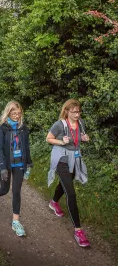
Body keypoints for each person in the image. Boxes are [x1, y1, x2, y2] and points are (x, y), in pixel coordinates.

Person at [46, 99, 90, 247]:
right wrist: (61, 142)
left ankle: (53, 202)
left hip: (74, 159)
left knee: (65, 184)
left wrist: (84, 139)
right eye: (74, 112)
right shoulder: (59, 125)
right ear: (66, 111)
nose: (77, 114)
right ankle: (78, 231)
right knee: (71, 193)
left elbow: (79, 139)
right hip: (61, 159)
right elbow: (49, 139)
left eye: (78, 111)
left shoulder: (81, 123)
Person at [0, 101, 33, 237]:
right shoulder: (1, 127)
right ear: (8, 113)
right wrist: (2, 167)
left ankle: (16, 222)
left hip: (19, 163)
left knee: (16, 191)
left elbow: (26, 146)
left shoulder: (23, 127)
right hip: (6, 164)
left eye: (19, 113)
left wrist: (29, 163)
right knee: (5, 189)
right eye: (14, 113)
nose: (17, 116)